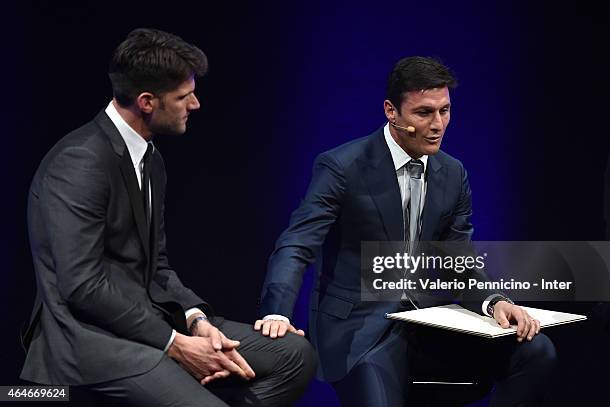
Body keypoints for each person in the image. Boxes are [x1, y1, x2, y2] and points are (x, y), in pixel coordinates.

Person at [20, 28, 315, 407]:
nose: (195, 104)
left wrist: (196, 321)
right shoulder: (81, 161)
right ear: (146, 101)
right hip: (90, 340)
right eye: (183, 96)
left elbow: (156, 267)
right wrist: (174, 343)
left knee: (293, 355)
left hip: (150, 322)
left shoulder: (150, 158)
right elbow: (82, 286)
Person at [254, 56, 557, 406]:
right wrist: (276, 311)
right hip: (361, 329)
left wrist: (494, 302)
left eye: (445, 111)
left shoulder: (453, 173)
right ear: (391, 111)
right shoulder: (342, 166)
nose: (437, 124)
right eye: (424, 113)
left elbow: (458, 258)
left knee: (537, 351)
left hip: (430, 323)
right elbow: (297, 243)